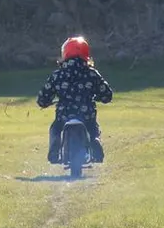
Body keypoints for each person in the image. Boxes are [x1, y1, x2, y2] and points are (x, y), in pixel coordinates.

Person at [37, 36, 113, 164]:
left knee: (55, 128)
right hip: (87, 115)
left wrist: (44, 102)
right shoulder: (92, 73)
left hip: (64, 115)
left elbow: (43, 96)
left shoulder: (58, 75)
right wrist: (102, 97)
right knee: (93, 128)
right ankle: (95, 141)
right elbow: (107, 94)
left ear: (65, 53)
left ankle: (55, 145)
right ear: (86, 54)